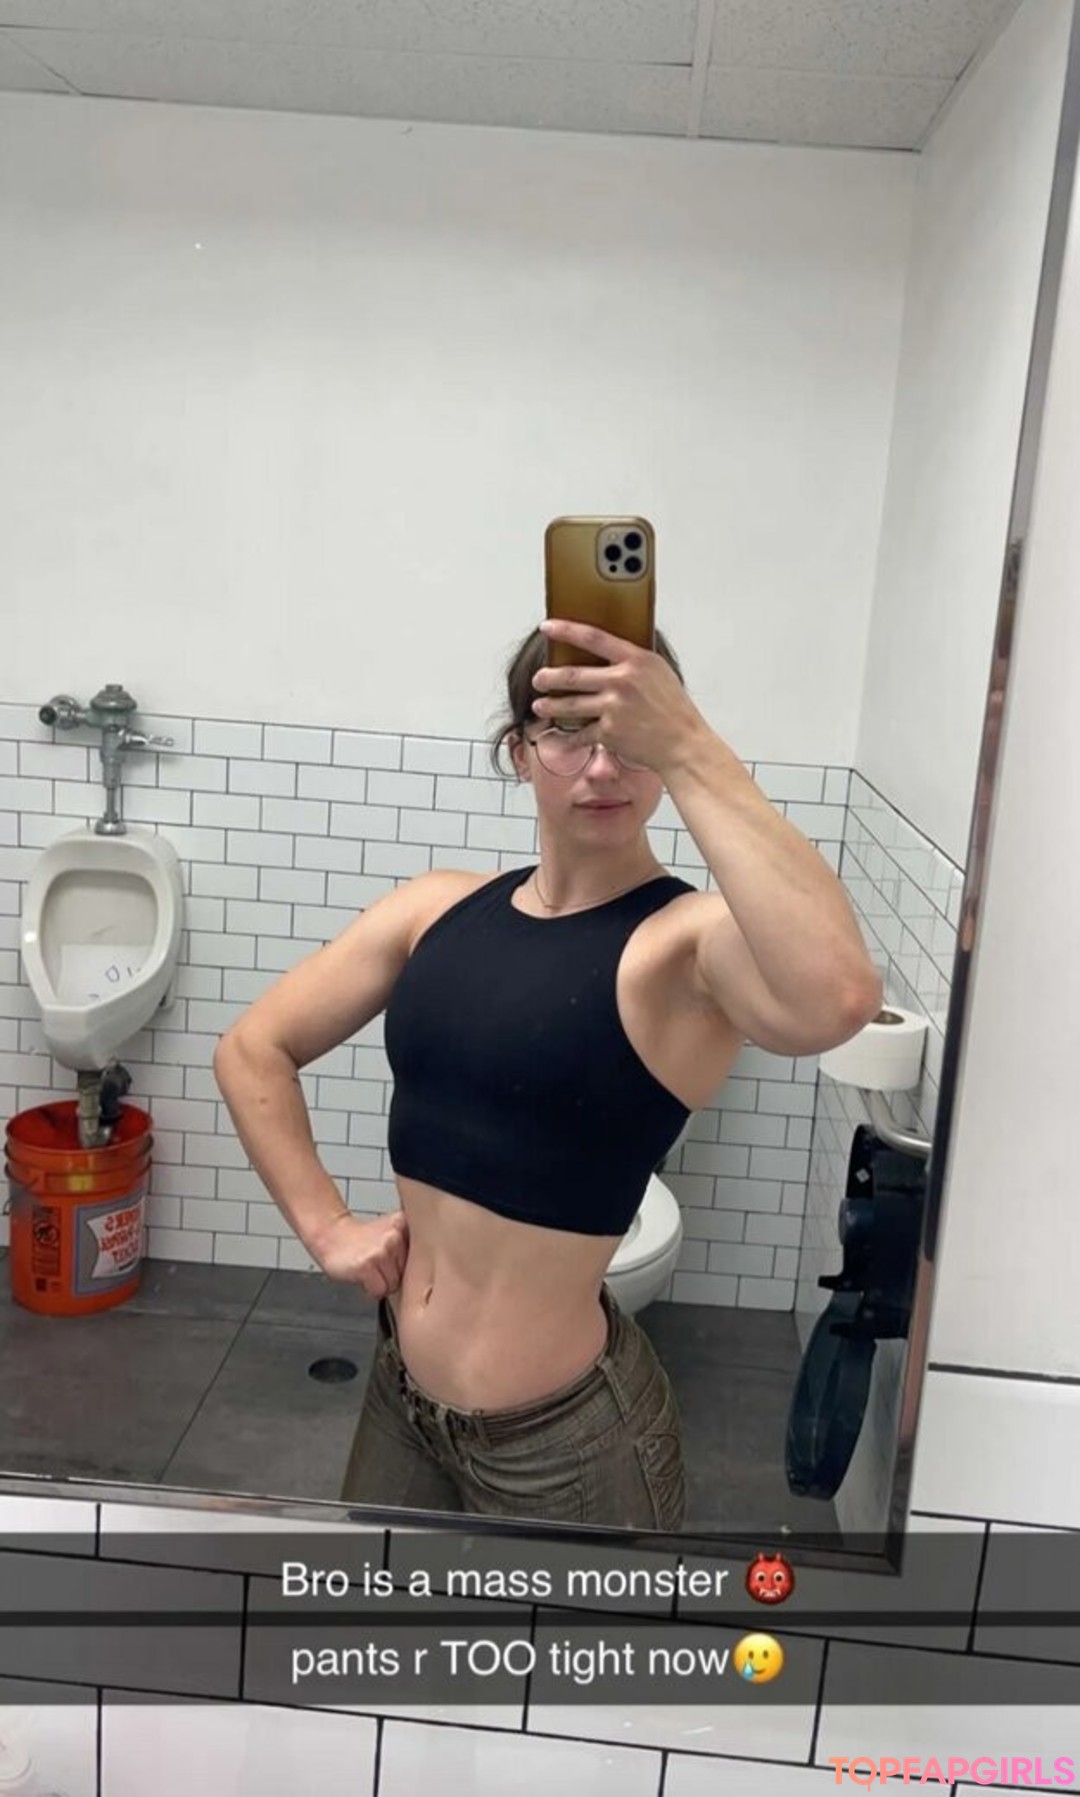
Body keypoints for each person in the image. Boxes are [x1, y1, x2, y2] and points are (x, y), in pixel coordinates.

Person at [214, 616, 882, 1531]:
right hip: (402, 1401)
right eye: (568, 733)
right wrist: (326, 1224)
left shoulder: (684, 945)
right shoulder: (435, 909)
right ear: (520, 752)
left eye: (630, 737)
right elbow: (253, 1048)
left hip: (565, 1444)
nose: (603, 769)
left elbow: (837, 997)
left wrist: (689, 745)